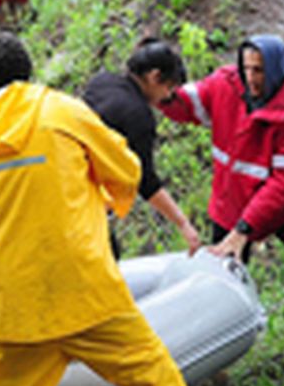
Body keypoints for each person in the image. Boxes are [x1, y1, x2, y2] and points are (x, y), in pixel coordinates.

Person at [0, 32, 239, 386]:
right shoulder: (62, 110)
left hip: (15, 304)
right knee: (153, 374)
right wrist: (97, 196)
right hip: (84, 289)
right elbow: (125, 169)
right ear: (28, 72)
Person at [160, 34, 284, 360]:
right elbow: (188, 104)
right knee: (222, 277)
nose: (251, 78)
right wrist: (162, 93)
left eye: (260, 71)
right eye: (247, 68)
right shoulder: (226, 83)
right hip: (230, 199)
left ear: (280, 70)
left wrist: (244, 231)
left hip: (282, 207)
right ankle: (218, 353)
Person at [81, 39, 203, 255]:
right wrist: (183, 223)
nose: (167, 97)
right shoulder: (138, 117)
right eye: (169, 88)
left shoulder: (101, 81)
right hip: (83, 197)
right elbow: (145, 181)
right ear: (154, 77)